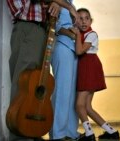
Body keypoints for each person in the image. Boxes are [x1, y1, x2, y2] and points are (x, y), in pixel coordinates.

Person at [6, 0, 77, 140]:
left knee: (38, 84)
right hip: (29, 27)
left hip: (43, 30)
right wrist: (66, 5)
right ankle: (20, 136)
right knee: (24, 82)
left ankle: (32, 131)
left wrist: (55, 4)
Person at [72, 8, 120, 141]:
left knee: (79, 105)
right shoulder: (82, 34)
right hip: (87, 69)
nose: (83, 21)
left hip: (90, 69)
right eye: (80, 18)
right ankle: (112, 132)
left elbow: (79, 51)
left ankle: (89, 134)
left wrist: (76, 34)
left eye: (86, 18)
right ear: (76, 21)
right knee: (87, 107)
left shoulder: (91, 34)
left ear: (91, 20)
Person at [49, 0, 80, 140]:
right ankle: (57, 133)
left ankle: (71, 132)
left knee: (73, 93)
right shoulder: (56, 3)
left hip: (74, 48)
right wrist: (72, 34)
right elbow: (54, 25)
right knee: (61, 91)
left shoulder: (69, 3)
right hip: (61, 45)